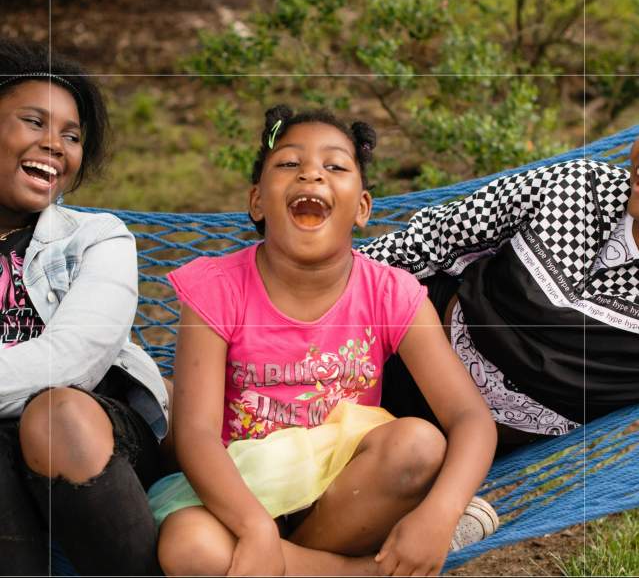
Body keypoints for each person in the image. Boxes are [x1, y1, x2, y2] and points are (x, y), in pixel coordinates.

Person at [148, 104, 498, 577]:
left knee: (419, 444)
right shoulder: (215, 289)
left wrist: (441, 513)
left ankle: (293, 564)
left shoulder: (390, 293)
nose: (311, 173)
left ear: (362, 208)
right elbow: (196, 435)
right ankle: (361, 574)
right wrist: (254, 528)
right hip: (242, 494)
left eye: (334, 166)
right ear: (256, 202)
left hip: (348, 499)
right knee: (189, 546)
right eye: (289, 164)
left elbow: (470, 418)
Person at [0, 38, 169, 576]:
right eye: (34, 122)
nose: (56, 145)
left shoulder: (97, 238)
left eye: (71, 135)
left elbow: (75, 359)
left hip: (94, 431)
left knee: (56, 416)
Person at [360, 138, 639, 448]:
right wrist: (323, 289)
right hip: (401, 345)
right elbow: (430, 241)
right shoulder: (579, 187)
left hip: (461, 442)